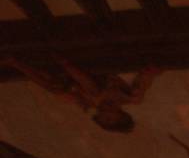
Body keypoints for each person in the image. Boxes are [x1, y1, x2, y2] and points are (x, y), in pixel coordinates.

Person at [5, 57, 159, 133]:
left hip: (75, 75)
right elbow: (141, 83)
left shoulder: (91, 102)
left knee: (57, 90)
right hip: (103, 71)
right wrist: (147, 76)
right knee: (133, 94)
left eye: (103, 119)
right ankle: (64, 62)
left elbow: (75, 88)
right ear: (121, 115)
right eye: (109, 118)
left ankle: (16, 63)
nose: (104, 115)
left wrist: (72, 93)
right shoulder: (129, 98)